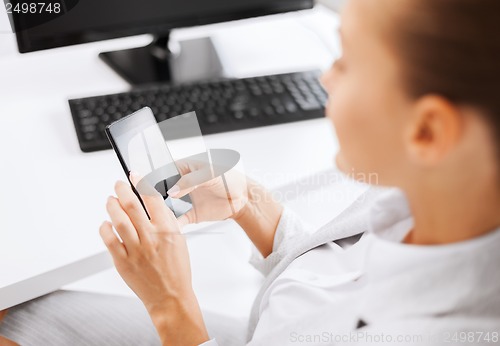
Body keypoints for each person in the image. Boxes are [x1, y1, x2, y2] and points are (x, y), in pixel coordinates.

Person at [1, 0, 500, 344]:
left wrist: (172, 306)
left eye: (346, 63)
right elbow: (335, 276)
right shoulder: (426, 197)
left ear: (428, 130)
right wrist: (251, 206)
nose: (326, 75)